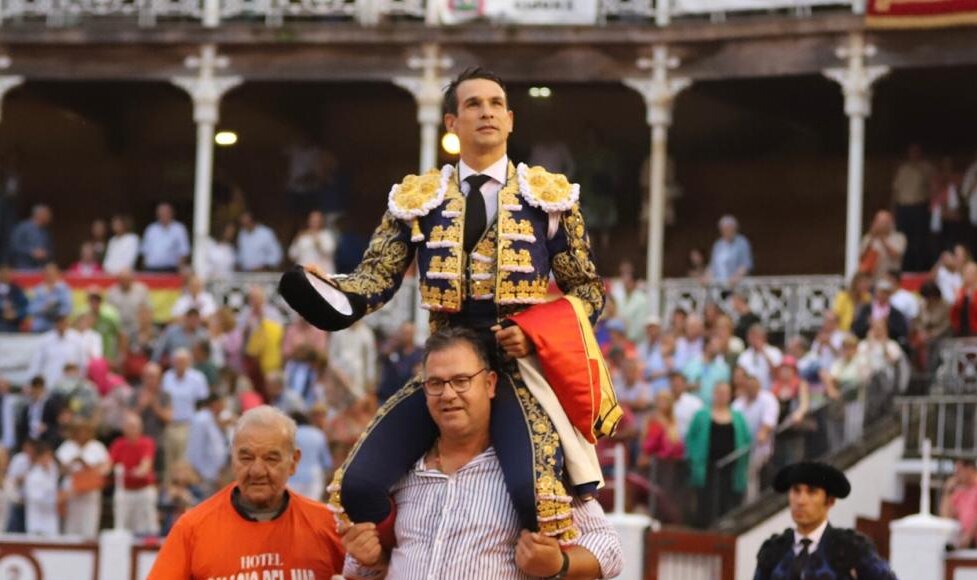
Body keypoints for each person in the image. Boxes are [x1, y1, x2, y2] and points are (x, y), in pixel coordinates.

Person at [279, 67, 617, 548]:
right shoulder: (419, 199)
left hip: (517, 369)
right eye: (474, 104)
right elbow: (377, 276)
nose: (487, 112)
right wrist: (332, 297)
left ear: (511, 120)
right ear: (452, 123)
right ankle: (399, 561)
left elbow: (587, 290)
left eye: (496, 104)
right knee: (357, 486)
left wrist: (536, 333)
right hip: (444, 367)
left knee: (536, 496)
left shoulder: (550, 198)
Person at [340, 328, 623, 578]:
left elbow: (608, 548)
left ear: (489, 384)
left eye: (461, 380)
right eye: (436, 383)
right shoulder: (400, 472)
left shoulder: (532, 468)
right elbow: (361, 571)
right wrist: (371, 560)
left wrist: (559, 564)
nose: (448, 395)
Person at [149, 406, 345, 578]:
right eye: (246, 458)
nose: (257, 471)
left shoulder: (328, 526)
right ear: (232, 459)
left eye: (271, 458)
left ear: (293, 462)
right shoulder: (192, 529)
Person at [754, 461, 896, 579]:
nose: (801, 501)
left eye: (811, 492)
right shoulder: (774, 550)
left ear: (830, 501)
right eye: (796, 490)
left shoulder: (851, 548)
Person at [685, 381, 750, 527]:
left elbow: (746, 439)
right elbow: (691, 437)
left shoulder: (738, 416)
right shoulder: (701, 415)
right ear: (714, 394)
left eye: (726, 393)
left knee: (727, 500)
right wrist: (695, 458)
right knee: (705, 500)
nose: (722, 396)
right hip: (707, 466)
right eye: (719, 392)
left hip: (731, 468)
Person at [56, 418, 110, 537]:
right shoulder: (67, 446)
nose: (82, 434)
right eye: (79, 431)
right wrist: (72, 462)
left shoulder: (97, 447)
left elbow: (106, 467)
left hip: (90, 489)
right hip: (72, 490)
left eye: (85, 431)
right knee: (71, 525)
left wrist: (88, 467)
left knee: (89, 524)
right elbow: (60, 468)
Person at [109, 412, 160, 535]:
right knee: (121, 523)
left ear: (141, 428)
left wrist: (139, 471)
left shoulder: (147, 442)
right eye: (129, 426)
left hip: (143, 489)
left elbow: (146, 465)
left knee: (146, 521)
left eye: (135, 426)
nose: (132, 430)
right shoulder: (118, 444)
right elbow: (108, 464)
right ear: (124, 428)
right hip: (125, 489)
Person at [890, 144, 933, 272]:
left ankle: (919, 268)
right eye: (911, 152)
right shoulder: (903, 169)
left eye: (916, 152)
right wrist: (893, 210)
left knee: (918, 240)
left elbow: (933, 187)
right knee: (903, 239)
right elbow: (895, 191)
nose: (913, 155)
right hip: (903, 208)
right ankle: (905, 268)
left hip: (919, 208)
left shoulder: (926, 168)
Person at [186, 392, 229, 496]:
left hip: (216, 474)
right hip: (204, 474)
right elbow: (195, 448)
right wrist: (198, 472)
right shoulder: (201, 419)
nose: (223, 407)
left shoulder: (215, 419)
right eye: (222, 404)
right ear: (215, 404)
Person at [28, 314, 88, 388]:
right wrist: (31, 382)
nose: (62, 326)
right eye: (59, 323)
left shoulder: (77, 339)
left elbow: (83, 362)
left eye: (64, 323)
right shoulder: (45, 340)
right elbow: (36, 363)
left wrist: (82, 379)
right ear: (55, 324)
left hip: (71, 385)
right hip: (49, 383)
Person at [851, 278, 909, 353]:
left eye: (886, 293)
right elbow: (856, 329)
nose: (882, 295)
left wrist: (888, 324)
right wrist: (867, 323)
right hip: (867, 345)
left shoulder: (895, 313)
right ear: (875, 292)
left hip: (888, 346)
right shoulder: (866, 309)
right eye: (880, 292)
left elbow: (902, 333)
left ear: (889, 294)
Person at [288, 411, 332, 501]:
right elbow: (327, 461)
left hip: (293, 477)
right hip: (314, 476)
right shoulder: (318, 433)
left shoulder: (292, 434)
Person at [859, 210, 907, 281]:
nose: (881, 224)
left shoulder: (899, 237)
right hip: (871, 280)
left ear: (890, 223)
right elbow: (861, 257)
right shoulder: (868, 238)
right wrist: (872, 238)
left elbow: (895, 255)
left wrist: (882, 238)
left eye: (884, 222)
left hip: (890, 280)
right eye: (879, 221)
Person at [141, 202, 190, 272]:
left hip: (171, 269)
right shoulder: (151, 229)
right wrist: (144, 270)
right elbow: (145, 252)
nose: (163, 215)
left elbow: (183, 251)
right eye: (161, 213)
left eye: (166, 212)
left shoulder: (179, 229)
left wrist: (180, 269)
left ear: (171, 213)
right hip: (151, 269)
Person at [24, 440, 59, 536]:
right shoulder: (33, 476)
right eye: (46, 456)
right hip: (37, 524)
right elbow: (36, 499)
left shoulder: (53, 470)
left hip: (51, 522)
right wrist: (58, 498)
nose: (48, 460)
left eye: (50, 456)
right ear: (39, 457)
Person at [706, 215, 753, 287]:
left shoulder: (741, 242)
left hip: (737, 284)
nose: (727, 231)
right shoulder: (718, 244)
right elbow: (713, 265)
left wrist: (737, 276)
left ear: (735, 229)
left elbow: (746, 263)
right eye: (724, 229)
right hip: (719, 284)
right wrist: (706, 276)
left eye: (730, 228)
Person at [940, 458, 977, 549]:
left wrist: (969, 536)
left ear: (969, 469)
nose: (956, 475)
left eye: (959, 471)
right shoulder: (959, 492)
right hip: (967, 544)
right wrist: (947, 493)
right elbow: (946, 517)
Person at [288, 210, 337, 275]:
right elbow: (292, 255)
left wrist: (315, 239)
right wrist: (297, 239)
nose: (314, 222)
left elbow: (329, 251)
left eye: (317, 220)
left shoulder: (326, 235)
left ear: (321, 221)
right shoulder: (302, 236)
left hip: (322, 274)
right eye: (312, 220)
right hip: (304, 274)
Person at [27, 263, 72, 333]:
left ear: (57, 274)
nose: (50, 276)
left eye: (52, 273)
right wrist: (43, 308)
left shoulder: (64, 289)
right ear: (43, 274)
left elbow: (68, 308)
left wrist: (54, 310)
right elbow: (31, 309)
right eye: (47, 274)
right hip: (40, 327)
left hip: (57, 328)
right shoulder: (37, 289)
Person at [737, 324, 783, 391]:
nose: (754, 340)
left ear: (764, 337)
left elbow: (778, 376)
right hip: (750, 393)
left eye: (757, 336)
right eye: (751, 336)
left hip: (770, 392)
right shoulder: (744, 356)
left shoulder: (774, 352)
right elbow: (740, 378)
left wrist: (764, 353)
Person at [106, 269, 151, 335]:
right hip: (118, 329)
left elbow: (147, 311)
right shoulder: (112, 292)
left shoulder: (141, 290)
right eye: (122, 280)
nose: (124, 282)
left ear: (132, 279)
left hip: (137, 328)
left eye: (126, 279)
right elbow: (108, 313)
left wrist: (144, 331)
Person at [9, 204, 52, 270]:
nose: (50, 217)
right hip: (23, 267)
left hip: (40, 268)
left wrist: (45, 253)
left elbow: (49, 249)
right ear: (40, 214)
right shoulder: (22, 228)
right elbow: (14, 246)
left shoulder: (45, 232)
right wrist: (31, 252)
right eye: (47, 214)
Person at [951, 261, 977, 337]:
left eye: (971, 273)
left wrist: (972, 299)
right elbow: (954, 315)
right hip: (961, 330)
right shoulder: (960, 291)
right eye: (966, 273)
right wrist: (957, 302)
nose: (968, 275)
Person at [0, 265, 27, 332]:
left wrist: (16, 313)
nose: (5, 275)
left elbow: (24, 306)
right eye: (3, 272)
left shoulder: (17, 289)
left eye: (7, 272)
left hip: (14, 323)